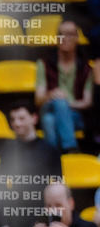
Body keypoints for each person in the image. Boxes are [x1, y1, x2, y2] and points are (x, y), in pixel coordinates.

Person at [0, 102, 63, 227]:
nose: (16, 123)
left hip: (42, 216)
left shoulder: (50, 150)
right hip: (15, 217)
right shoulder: (7, 150)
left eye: (21, 118)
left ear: (34, 118)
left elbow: (59, 188)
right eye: (13, 119)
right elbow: (1, 190)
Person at [35, 19, 92, 154]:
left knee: (49, 121)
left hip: (74, 115)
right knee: (57, 104)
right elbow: (38, 100)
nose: (64, 38)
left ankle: (52, 161)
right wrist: (52, 95)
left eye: (69, 34)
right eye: (61, 34)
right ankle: (70, 147)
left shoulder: (86, 68)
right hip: (49, 106)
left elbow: (87, 103)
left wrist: (65, 103)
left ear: (77, 38)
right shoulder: (44, 64)